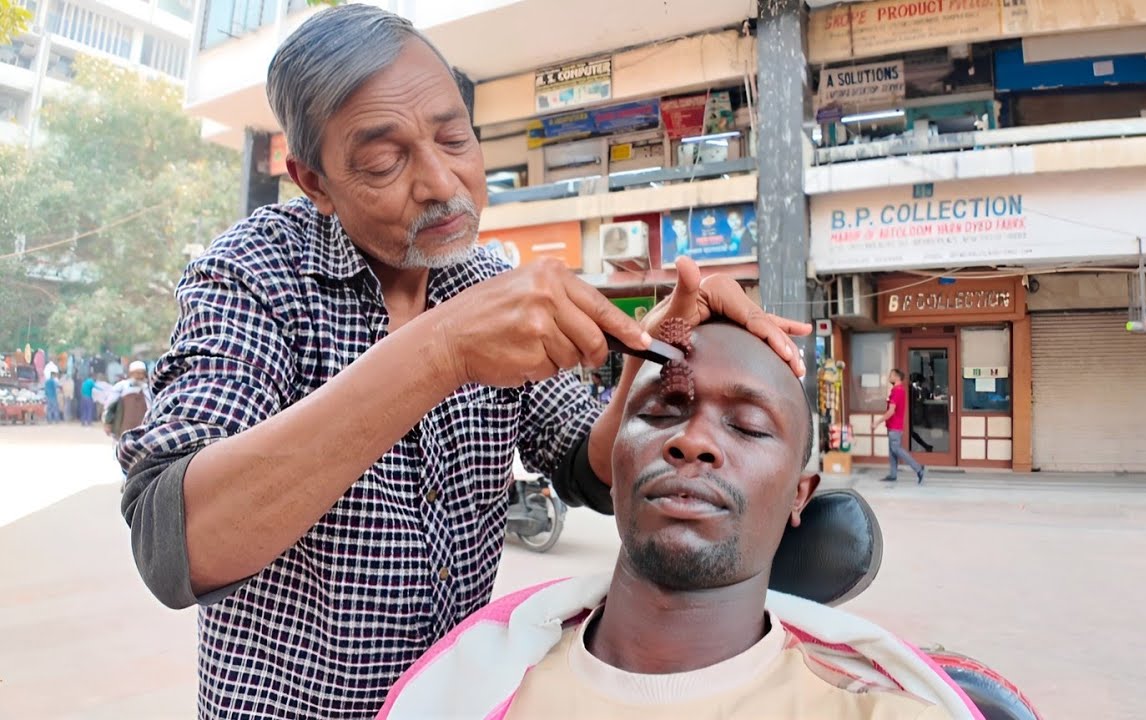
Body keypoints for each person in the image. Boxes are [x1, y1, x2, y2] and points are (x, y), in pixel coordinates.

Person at [115, 6, 809, 719]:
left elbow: (587, 468)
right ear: (313, 181)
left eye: (455, 138)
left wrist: (645, 353)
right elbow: (178, 546)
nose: (443, 184)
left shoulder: (480, 278)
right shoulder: (255, 275)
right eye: (385, 161)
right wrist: (443, 352)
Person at [378, 323, 965, 719]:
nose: (693, 441)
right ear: (614, 459)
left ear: (799, 494)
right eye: (661, 411)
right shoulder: (473, 691)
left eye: (749, 426)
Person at [874, 369, 925, 484]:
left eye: (891, 375)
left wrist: (877, 422)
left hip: (895, 426)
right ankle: (893, 474)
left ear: (897, 377)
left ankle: (918, 468)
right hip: (893, 426)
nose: (889, 377)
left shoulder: (897, 391)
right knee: (892, 451)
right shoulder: (898, 390)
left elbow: (891, 411)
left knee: (896, 449)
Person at [105, 361, 151, 440]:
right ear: (131, 374)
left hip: (143, 431)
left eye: (141, 373)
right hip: (123, 428)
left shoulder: (148, 389)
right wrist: (108, 423)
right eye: (137, 373)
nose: (139, 376)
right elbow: (110, 406)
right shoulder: (121, 387)